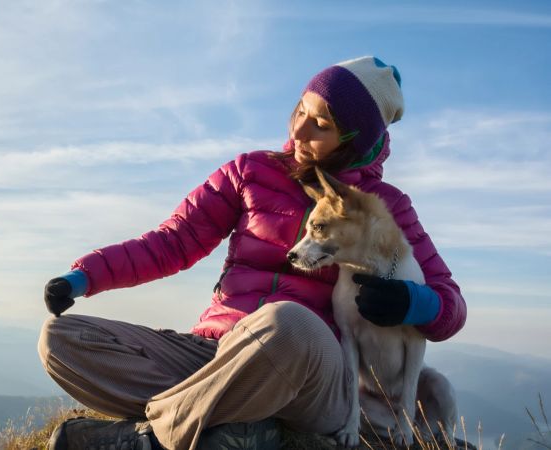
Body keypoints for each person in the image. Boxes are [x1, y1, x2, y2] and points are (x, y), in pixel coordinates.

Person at [37, 56, 466, 450]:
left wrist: (414, 301)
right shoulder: (251, 172)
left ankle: (153, 439)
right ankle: (241, 425)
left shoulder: (384, 207)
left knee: (291, 322)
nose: (299, 130)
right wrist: (84, 276)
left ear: (354, 141)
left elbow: (450, 305)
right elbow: (174, 240)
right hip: (217, 351)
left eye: (321, 124)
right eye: (301, 110)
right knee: (60, 341)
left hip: (311, 375)